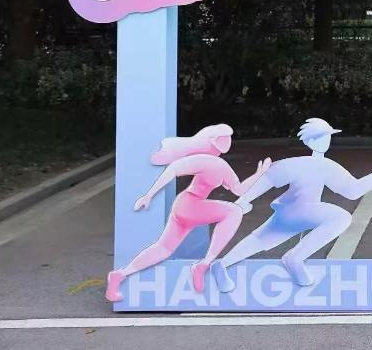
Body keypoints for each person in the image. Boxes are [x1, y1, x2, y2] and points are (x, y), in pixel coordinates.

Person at [213, 117, 372, 291]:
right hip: (300, 211)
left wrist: (241, 203)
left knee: (260, 239)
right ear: (310, 141)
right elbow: (267, 180)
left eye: (328, 137)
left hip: (288, 213)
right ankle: (295, 258)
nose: (327, 141)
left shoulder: (316, 165)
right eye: (322, 137)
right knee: (341, 218)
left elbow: (352, 190)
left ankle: (221, 265)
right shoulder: (310, 165)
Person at [105, 123, 272, 302]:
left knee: (163, 248)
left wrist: (258, 174)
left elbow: (238, 189)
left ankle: (120, 275)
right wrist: (149, 195)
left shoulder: (217, 164)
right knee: (234, 211)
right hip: (190, 205)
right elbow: (173, 169)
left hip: (185, 207)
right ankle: (204, 264)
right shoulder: (208, 161)